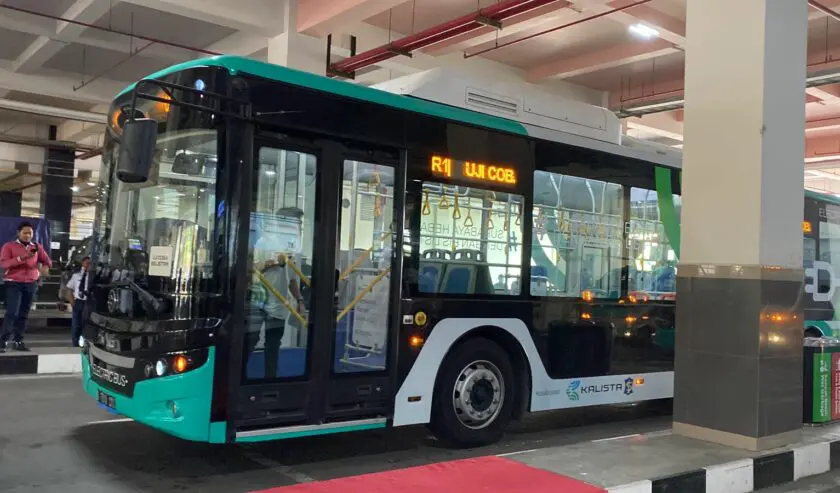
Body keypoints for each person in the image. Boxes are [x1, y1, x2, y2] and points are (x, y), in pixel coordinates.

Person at [247, 207, 305, 379]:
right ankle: (238, 376)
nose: (299, 227)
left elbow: (291, 279)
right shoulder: (264, 242)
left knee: (273, 344)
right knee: (250, 340)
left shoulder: (292, 247)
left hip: (279, 303)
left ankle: (270, 379)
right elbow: (255, 267)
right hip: (260, 299)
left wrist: (299, 300)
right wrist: (274, 262)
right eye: (297, 223)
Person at [0, 222, 52, 352]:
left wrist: (45, 267)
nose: (28, 235)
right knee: (12, 312)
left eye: (30, 233)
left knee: (24, 313)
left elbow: (48, 261)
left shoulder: (36, 247)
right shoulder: (9, 246)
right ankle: (3, 341)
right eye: (25, 233)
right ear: (18, 233)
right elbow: (4, 264)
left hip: (30, 284)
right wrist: (22, 257)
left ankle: (18, 341)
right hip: (13, 283)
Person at [66, 256, 91, 347]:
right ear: (82, 263)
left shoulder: (93, 277)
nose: (87, 264)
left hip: (88, 303)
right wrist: (72, 302)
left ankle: (84, 344)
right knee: (76, 324)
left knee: (86, 324)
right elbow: (69, 289)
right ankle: (75, 344)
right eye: (86, 262)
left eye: (89, 263)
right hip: (79, 302)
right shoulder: (76, 276)